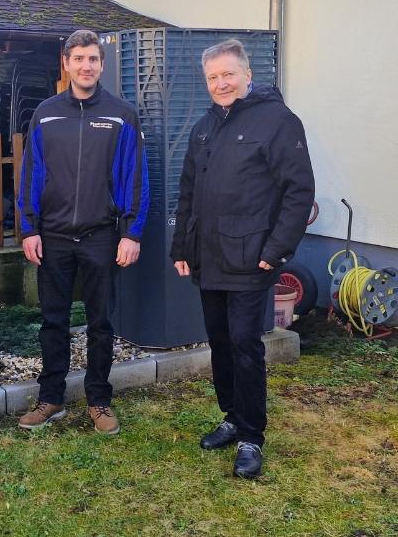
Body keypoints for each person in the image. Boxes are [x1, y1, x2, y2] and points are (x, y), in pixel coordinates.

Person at [170, 39, 314, 479]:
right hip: (208, 258)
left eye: (228, 74)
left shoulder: (278, 121)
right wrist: (182, 248)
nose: (220, 84)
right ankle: (231, 416)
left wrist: (275, 251)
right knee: (219, 343)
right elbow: (189, 194)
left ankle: (252, 435)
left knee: (246, 348)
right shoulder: (203, 127)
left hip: (253, 261)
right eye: (212, 77)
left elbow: (299, 193)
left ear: (248, 75)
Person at [17, 29, 149, 435]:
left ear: (101, 65)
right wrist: (28, 228)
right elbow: (29, 175)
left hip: (101, 236)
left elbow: (137, 178)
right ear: (66, 63)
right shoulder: (45, 113)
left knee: (100, 322)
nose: (86, 66)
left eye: (92, 59)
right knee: (53, 321)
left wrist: (132, 233)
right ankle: (51, 398)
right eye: (78, 59)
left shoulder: (121, 114)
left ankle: (99, 400)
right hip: (52, 237)